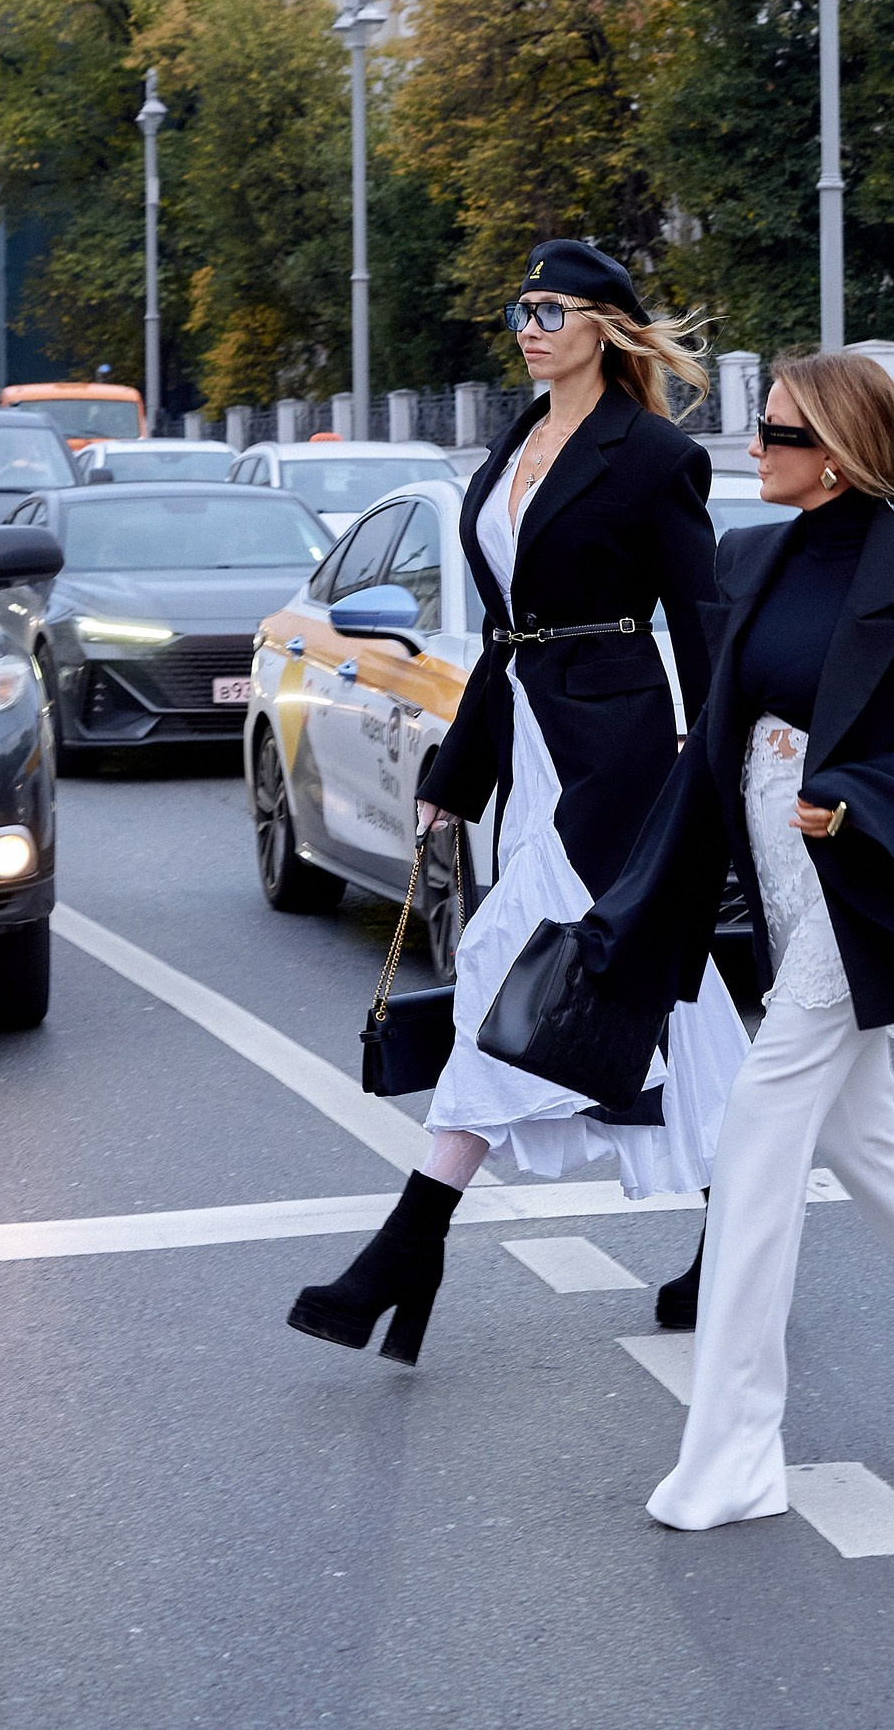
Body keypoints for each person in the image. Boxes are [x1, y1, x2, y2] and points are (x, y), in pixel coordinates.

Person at [581, 351, 894, 1532]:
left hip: (851, 890)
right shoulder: (744, 559)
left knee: (756, 1136)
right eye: (759, 430)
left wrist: (857, 794)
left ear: (840, 453)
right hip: (772, 880)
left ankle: (737, 1446)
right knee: (869, 1143)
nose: (753, 447)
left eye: (777, 433)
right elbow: (715, 737)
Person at [286, 241, 748, 1366]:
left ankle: (405, 1247)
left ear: (604, 325)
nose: (528, 324)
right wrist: (456, 775)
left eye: (551, 308)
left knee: (510, 967)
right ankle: (739, 1227)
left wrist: (720, 774)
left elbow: (702, 623)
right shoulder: (513, 442)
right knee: (675, 1011)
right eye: (519, 307)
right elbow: (507, 632)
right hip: (532, 745)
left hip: (619, 758)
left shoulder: (652, 457)